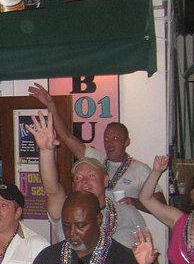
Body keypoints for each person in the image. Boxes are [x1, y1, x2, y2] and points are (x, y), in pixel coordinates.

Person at [28, 83, 165, 210]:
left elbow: (161, 204)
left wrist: (134, 202)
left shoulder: (140, 169)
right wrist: (51, 105)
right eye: (106, 139)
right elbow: (66, 137)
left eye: (115, 138)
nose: (109, 143)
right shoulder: (97, 160)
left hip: (126, 229)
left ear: (126, 142)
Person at [28, 112, 146, 248]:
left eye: (91, 176)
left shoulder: (128, 213)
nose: (84, 181)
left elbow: (148, 256)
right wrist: (46, 151)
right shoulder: (64, 209)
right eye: (78, 178)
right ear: (73, 185)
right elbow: (52, 190)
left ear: (105, 180)